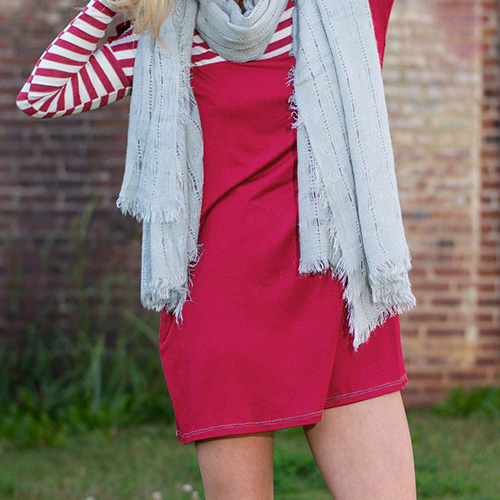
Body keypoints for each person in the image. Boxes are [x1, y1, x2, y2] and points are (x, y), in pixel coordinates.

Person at [16, 0, 417, 498]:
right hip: (226, 307)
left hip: (340, 300)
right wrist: (108, 4)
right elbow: (43, 93)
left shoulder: (339, 11)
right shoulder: (166, 39)